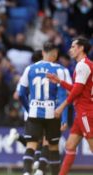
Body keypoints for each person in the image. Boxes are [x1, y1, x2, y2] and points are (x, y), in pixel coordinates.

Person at [18, 42, 70, 175]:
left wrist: (29, 109)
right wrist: (64, 117)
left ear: (42, 53)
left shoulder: (30, 69)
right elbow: (62, 95)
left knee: (31, 145)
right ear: (55, 54)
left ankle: (26, 172)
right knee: (52, 147)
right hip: (52, 114)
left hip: (34, 112)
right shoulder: (60, 70)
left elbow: (21, 94)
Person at [46, 37, 93, 175]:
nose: (70, 49)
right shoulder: (86, 64)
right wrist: (60, 81)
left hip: (86, 112)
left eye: (73, 47)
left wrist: (62, 106)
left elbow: (77, 91)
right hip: (82, 113)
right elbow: (78, 88)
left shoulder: (82, 65)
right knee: (70, 145)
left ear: (81, 48)